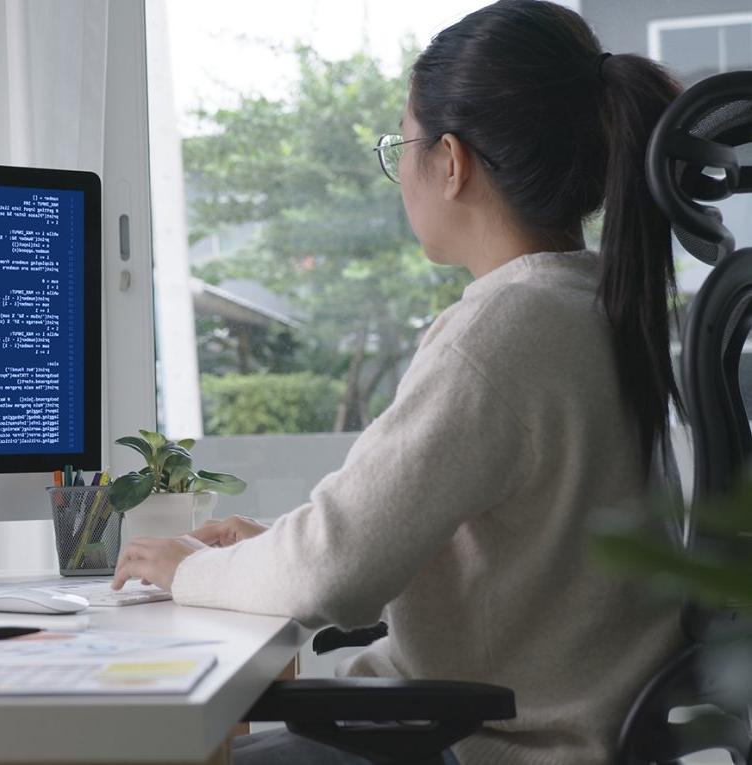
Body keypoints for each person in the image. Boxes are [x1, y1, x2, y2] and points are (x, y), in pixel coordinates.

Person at [111, 2, 688, 763]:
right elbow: (389, 536)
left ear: (451, 161)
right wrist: (274, 547)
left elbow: (332, 574)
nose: (400, 172)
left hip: (488, 745)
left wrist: (191, 570)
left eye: (402, 146)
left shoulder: (502, 329)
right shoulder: (591, 301)